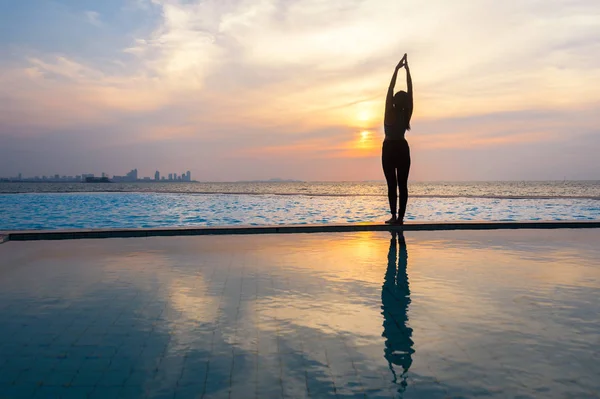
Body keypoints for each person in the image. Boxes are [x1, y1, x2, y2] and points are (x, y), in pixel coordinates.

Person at [382, 53, 413, 224]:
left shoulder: (389, 112)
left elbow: (389, 89)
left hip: (389, 149)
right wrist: (408, 72)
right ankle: (400, 218)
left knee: (392, 185)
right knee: (403, 184)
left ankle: (394, 216)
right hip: (402, 147)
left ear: (394, 101)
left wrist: (397, 69)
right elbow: (411, 91)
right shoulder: (406, 114)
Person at [381, 231, 414, 391]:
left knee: (394, 269)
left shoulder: (393, 340)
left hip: (394, 306)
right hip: (398, 306)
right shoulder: (398, 340)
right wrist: (401, 375)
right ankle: (398, 242)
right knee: (399, 270)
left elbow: (389, 355)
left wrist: (398, 375)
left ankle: (396, 242)